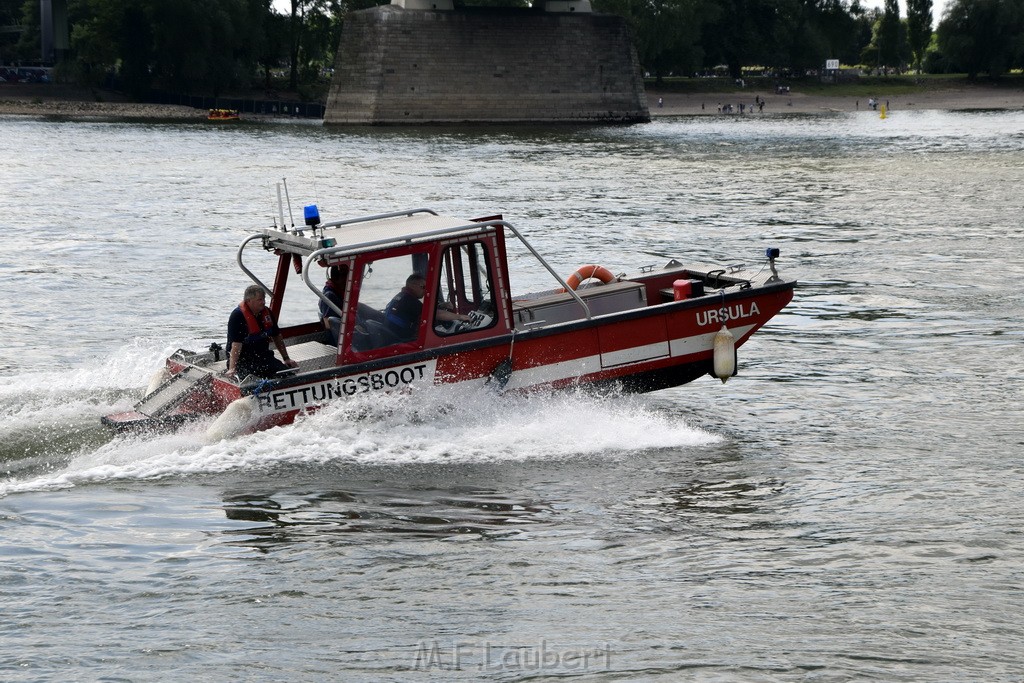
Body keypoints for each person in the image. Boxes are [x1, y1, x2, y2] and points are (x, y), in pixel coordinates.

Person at [226, 284, 298, 380]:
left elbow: (277, 336)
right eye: (259, 300)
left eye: (264, 299)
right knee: (250, 382)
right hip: (242, 361)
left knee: (288, 376)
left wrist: (286, 358)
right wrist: (232, 369)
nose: (263, 302)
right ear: (249, 301)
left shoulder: (267, 312)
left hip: (264, 357)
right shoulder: (237, 316)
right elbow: (236, 345)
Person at [383, 273, 470, 342]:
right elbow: (436, 314)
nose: (425, 291)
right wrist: (460, 317)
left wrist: (441, 305)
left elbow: (422, 310)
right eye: (423, 287)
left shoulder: (401, 296)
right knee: (446, 339)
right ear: (413, 286)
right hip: (404, 340)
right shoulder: (409, 300)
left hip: (394, 334)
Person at [320, 264, 347, 346]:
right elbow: (328, 324)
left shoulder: (339, 292)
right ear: (338, 278)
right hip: (339, 340)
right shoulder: (329, 295)